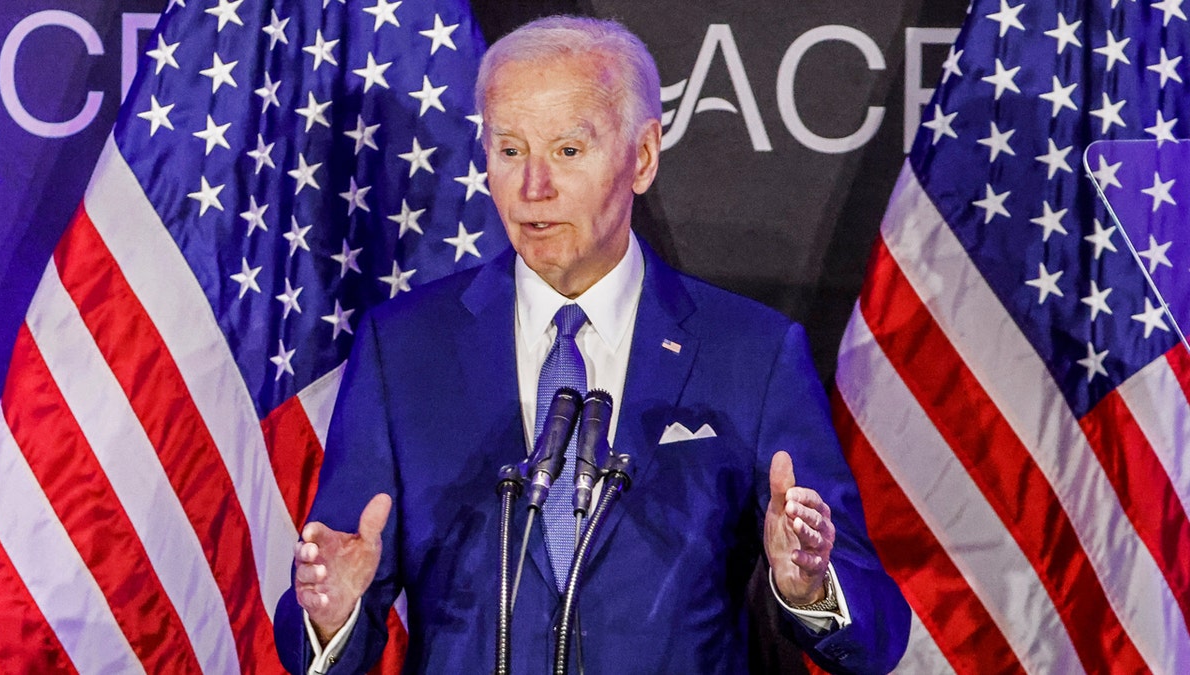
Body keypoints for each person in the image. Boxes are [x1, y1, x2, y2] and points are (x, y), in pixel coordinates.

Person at [274, 15, 909, 674]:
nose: (533, 187)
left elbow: (878, 634)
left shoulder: (751, 352)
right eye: (511, 150)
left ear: (642, 156)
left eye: (568, 151)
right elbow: (323, 617)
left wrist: (808, 585)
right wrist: (329, 613)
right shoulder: (403, 348)